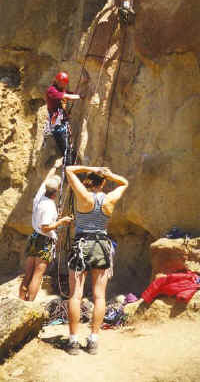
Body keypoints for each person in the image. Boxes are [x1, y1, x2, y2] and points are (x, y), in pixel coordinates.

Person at [65, 165, 128, 355]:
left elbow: (69, 170)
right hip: (101, 246)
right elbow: (125, 182)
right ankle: (93, 340)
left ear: (87, 182)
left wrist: (92, 168)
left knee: (75, 295)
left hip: (82, 245)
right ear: (103, 183)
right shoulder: (109, 199)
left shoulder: (83, 196)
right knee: (100, 296)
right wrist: (109, 174)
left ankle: (73, 340)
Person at [19, 159, 72, 301]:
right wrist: (61, 221)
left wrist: (55, 166)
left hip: (35, 237)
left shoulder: (39, 197)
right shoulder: (49, 206)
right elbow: (46, 227)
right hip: (45, 239)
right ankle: (28, 305)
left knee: (28, 273)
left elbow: (46, 182)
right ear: (55, 193)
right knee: (37, 274)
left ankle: (21, 302)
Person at [45, 72, 81, 160]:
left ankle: (69, 162)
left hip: (61, 121)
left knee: (67, 146)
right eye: (62, 83)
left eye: (65, 84)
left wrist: (81, 89)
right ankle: (68, 167)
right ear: (57, 81)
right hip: (56, 123)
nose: (64, 85)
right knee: (65, 148)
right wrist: (79, 96)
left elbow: (69, 93)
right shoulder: (51, 90)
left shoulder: (59, 89)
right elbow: (66, 96)